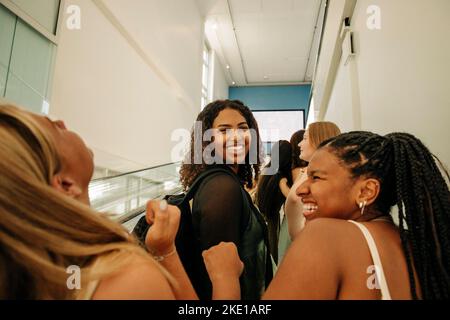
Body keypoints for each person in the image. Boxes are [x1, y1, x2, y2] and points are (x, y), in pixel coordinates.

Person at [0, 103, 237, 300]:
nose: (62, 122)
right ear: (65, 185)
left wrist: (165, 250)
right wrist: (225, 280)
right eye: (55, 127)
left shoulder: (58, 274)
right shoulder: (125, 280)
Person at [202, 131, 450, 299]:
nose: (301, 189)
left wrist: (226, 278)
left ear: (366, 191)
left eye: (316, 177)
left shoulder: (326, 237)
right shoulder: (421, 248)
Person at [178, 99, 271, 300]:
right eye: (224, 130)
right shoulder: (222, 188)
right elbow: (215, 281)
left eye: (243, 128)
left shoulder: (224, 182)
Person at [284, 121, 341, 240]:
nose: (299, 144)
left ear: (319, 140)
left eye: (304, 139)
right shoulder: (304, 172)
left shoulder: (328, 177)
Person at [255, 140, 292, 264]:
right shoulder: (281, 178)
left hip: (267, 215)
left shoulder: (267, 171)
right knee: (277, 254)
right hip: (276, 219)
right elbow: (292, 198)